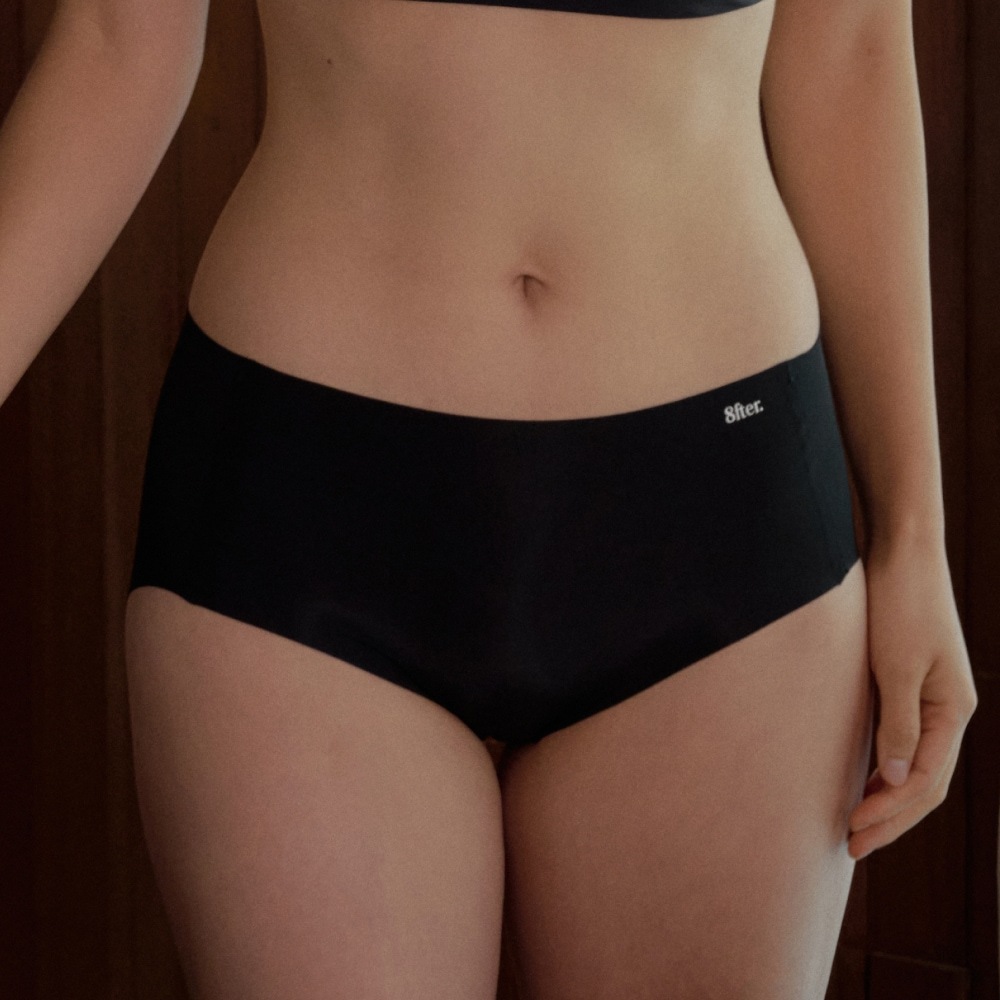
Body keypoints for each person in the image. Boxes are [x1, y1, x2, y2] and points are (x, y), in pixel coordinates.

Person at [0, 0, 979, 995]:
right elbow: (117, 42)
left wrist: (912, 533)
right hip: (303, 499)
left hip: (721, 509)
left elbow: (850, 51)